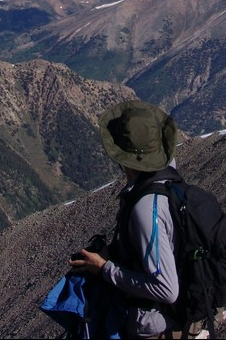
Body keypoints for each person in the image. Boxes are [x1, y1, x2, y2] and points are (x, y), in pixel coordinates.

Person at [70, 99, 183, 339]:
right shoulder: (167, 178)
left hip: (151, 327)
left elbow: (167, 289)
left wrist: (104, 268)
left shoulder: (145, 208)